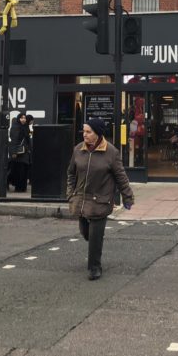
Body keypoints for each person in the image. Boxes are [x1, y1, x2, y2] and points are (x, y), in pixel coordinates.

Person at [67, 118, 134, 281]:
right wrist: (70, 194)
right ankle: (93, 248)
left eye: (88, 132)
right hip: (82, 200)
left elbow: (121, 177)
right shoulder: (78, 150)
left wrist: (127, 196)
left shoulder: (111, 152)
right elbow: (71, 173)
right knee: (86, 233)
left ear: (98, 133)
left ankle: (94, 267)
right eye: (83, 131)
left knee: (95, 237)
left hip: (101, 201)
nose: (85, 135)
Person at [8, 113, 31, 192]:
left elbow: (27, 140)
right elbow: (14, 140)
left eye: (24, 118)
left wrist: (29, 149)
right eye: (21, 118)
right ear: (18, 119)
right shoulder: (15, 127)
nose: (23, 119)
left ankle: (22, 187)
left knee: (24, 170)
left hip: (25, 153)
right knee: (19, 171)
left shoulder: (25, 127)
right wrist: (14, 152)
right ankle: (18, 187)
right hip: (18, 153)